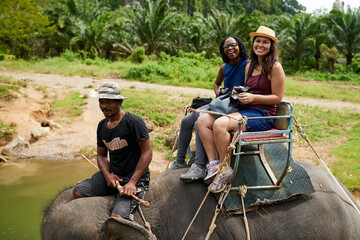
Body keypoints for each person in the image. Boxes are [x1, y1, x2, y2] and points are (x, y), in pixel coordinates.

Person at [197, 26, 285, 192]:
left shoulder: (275, 67)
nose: (260, 45)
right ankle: (213, 164)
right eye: (257, 41)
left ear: (271, 46)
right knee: (202, 120)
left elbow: (277, 98)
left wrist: (254, 98)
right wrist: (241, 91)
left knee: (220, 124)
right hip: (245, 110)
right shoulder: (250, 65)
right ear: (253, 44)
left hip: (261, 115)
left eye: (265, 42)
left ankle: (225, 170)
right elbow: (249, 89)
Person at [170, 36, 249, 183]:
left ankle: (200, 164)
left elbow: (250, 85)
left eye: (233, 45)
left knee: (200, 120)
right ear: (222, 50)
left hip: (236, 106)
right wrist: (218, 92)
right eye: (226, 47)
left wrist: (239, 92)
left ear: (240, 46)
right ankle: (179, 161)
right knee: (187, 120)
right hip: (222, 102)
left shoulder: (247, 65)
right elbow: (216, 83)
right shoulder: (224, 67)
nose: (230, 49)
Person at [73, 82, 152, 222]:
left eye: (109, 102)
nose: (104, 106)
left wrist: (133, 182)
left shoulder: (133, 122)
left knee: (118, 218)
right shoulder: (102, 126)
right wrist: (108, 175)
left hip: (134, 178)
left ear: (119, 101)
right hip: (115, 175)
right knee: (78, 192)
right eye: (101, 102)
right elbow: (101, 155)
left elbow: (147, 152)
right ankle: (114, 193)